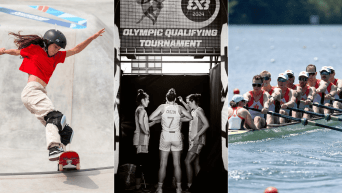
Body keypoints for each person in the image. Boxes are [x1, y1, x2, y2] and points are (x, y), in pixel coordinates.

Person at [0, 28, 105, 160]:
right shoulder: (35, 50)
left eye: (59, 48)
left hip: (40, 92)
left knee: (64, 130)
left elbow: (75, 50)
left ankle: (62, 155)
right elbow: (16, 52)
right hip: (32, 91)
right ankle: (53, 148)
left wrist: (92, 37)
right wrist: (3, 51)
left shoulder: (57, 57)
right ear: (47, 43)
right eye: (55, 47)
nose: (57, 50)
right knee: (55, 118)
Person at [149, 88, 193, 193]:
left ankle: (159, 188)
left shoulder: (162, 107)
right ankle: (179, 188)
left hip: (165, 135)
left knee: (163, 164)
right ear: (175, 99)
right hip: (176, 136)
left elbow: (151, 117)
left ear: (166, 98)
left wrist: (162, 116)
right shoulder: (179, 107)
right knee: (177, 164)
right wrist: (180, 119)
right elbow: (190, 117)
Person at [134, 89, 160, 193]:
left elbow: (145, 125)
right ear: (143, 100)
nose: (148, 101)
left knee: (141, 163)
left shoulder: (141, 110)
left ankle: (139, 186)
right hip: (141, 140)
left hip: (143, 140)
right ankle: (138, 187)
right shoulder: (141, 110)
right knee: (140, 164)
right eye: (147, 99)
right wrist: (145, 132)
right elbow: (141, 124)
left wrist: (156, 121)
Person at [183, 94, 209, 193]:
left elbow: (206, 124)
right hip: (193, 141)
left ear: (193, 101)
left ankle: (190, 187)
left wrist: (197, 136)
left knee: (187, 161)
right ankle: (199, 187)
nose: (188, 104)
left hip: (197, 141)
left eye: (189, 102)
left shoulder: (199, 110)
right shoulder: (194, 111)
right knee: (195, 163)